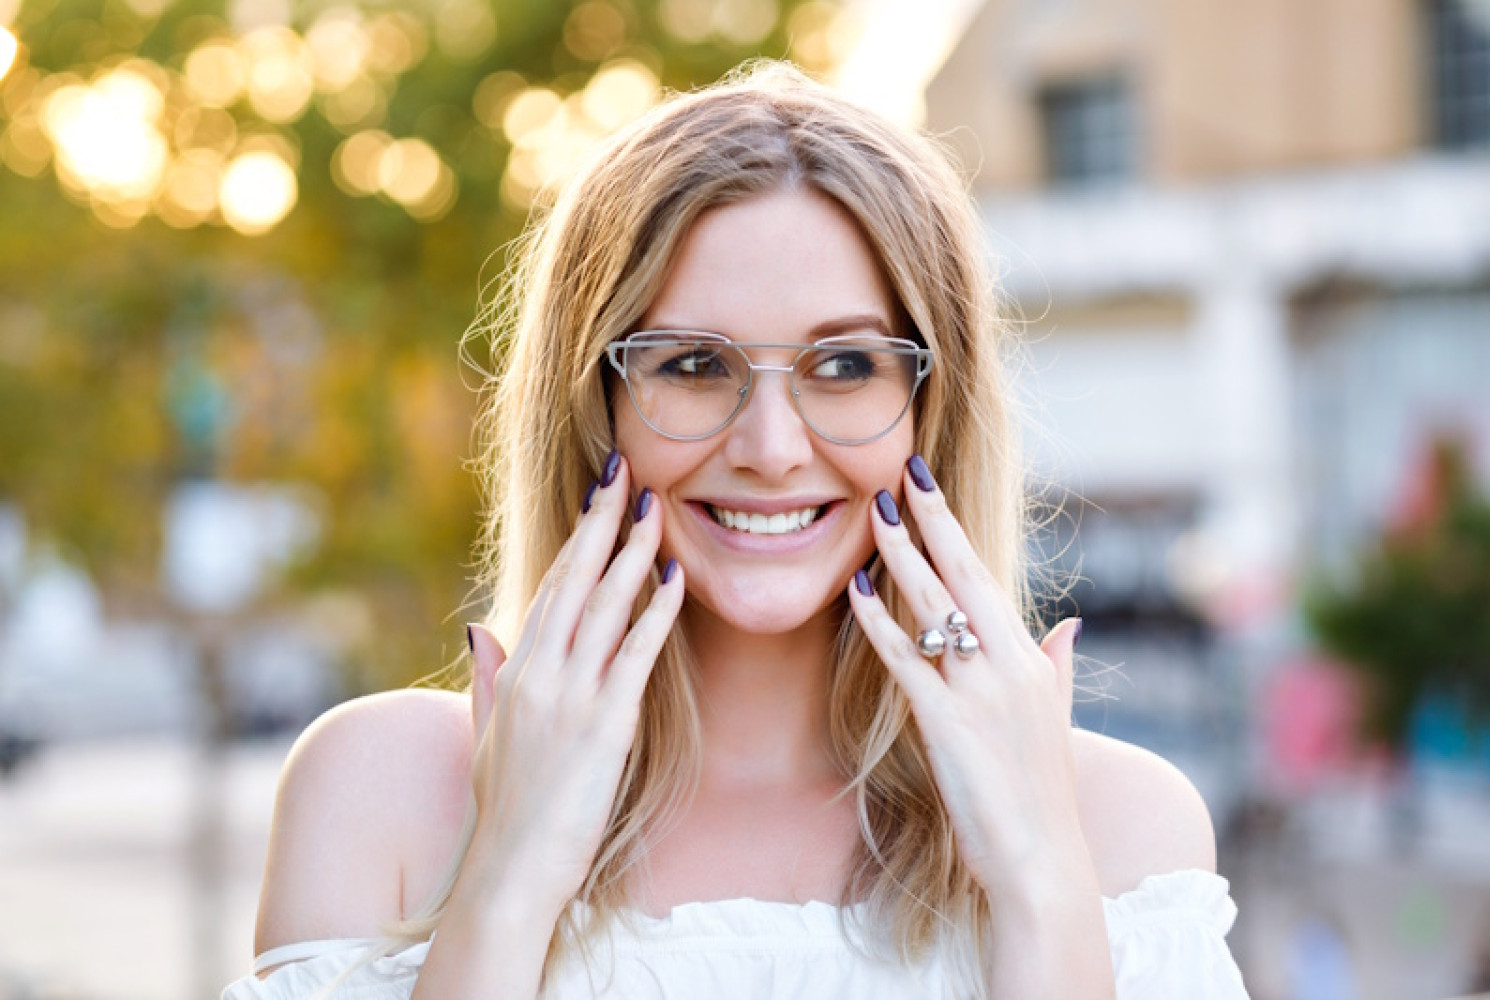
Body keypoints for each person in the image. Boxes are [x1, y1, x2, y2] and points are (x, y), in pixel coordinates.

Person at [222, 61, 1251, 999]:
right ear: (595, 406)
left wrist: (1039, 880)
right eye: (693, 364)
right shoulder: (384, 791)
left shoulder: (1122, 827)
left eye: (846, 367)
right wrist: (508, 877)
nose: (770, 446)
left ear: (935, 409)